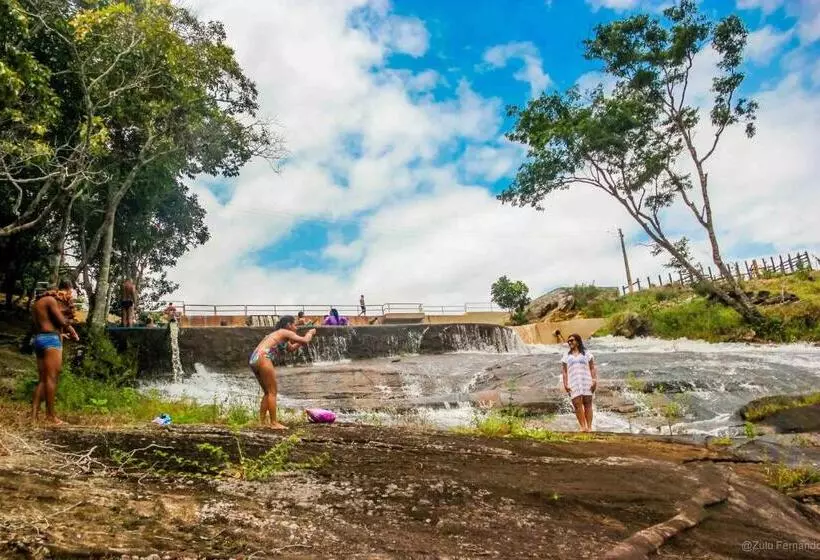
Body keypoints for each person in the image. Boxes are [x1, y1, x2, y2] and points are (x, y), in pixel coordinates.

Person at [249, 316, 317, 430]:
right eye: (294, 325)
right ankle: (274, 423)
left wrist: (301, 341)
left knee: (267, 392)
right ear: (288, 325)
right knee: (272, 392)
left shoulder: (278, 334)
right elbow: (305, 340)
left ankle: (261, 422)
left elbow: (291, 348)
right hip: (263, 357)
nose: (296, 327)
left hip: (254, 359)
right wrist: (310, 333)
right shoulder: (285, 332)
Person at [31, 280, 79, 425]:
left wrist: (63, 333)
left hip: (39, 339)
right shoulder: (51, 301)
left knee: (43, 380)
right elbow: (62, 322)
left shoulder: (37, 304)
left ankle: (33, 416)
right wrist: (71, 326)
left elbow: (48, 323)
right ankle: (50, 416)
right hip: (51, 341)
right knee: (51, 379)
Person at [560, 333, 597, 432]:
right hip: (573, 381)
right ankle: (582, 426)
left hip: (586, 380)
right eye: (568, 341)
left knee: (587, 403)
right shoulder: (566, 356)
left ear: (578, 341)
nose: (569, 342)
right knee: (577, 404)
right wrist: (565, 384)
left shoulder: (587, 353)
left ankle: (589, 427)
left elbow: (592, 367)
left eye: (572, 340)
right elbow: (564, 371)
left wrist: (594, 380)